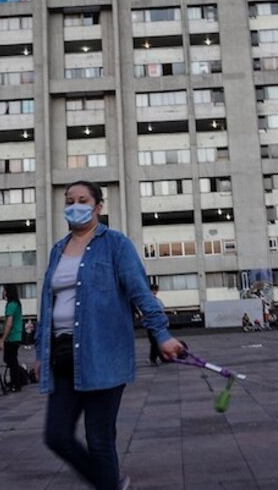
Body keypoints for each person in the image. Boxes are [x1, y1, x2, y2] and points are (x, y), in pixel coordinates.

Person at [35, 181, 183, 490]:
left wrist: (162, 334)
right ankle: (111, 483)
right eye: (69, 200)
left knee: (100, 440)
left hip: (102, 353)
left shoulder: (116, 244)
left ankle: (108, 483)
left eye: (83, 200)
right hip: (62, 356)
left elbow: (140, 292)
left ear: (98, 206)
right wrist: (40, 352)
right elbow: (47, 305)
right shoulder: (57, 250)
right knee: (57, 435)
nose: (75, 205)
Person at [0, 283, 25, 391]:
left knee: (11, 361)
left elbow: (9, 323)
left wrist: (2, 339)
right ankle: (18, 378)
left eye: (4, 290)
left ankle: (16, 383)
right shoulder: (15, 304)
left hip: (12, 337)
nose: (2, 293)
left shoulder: (11, 305)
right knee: (10, 360)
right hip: (16, 336)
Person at [147, 284, 169, 365]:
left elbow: (163, 311)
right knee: (154, 342)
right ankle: (153, 359)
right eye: (153, 290)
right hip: (152, 324)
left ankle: (160, 357)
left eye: (155, 290)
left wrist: (165, 321)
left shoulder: (158, 300)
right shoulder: (148, 301)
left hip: (159, 323)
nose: (154, 292)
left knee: (158, 342)